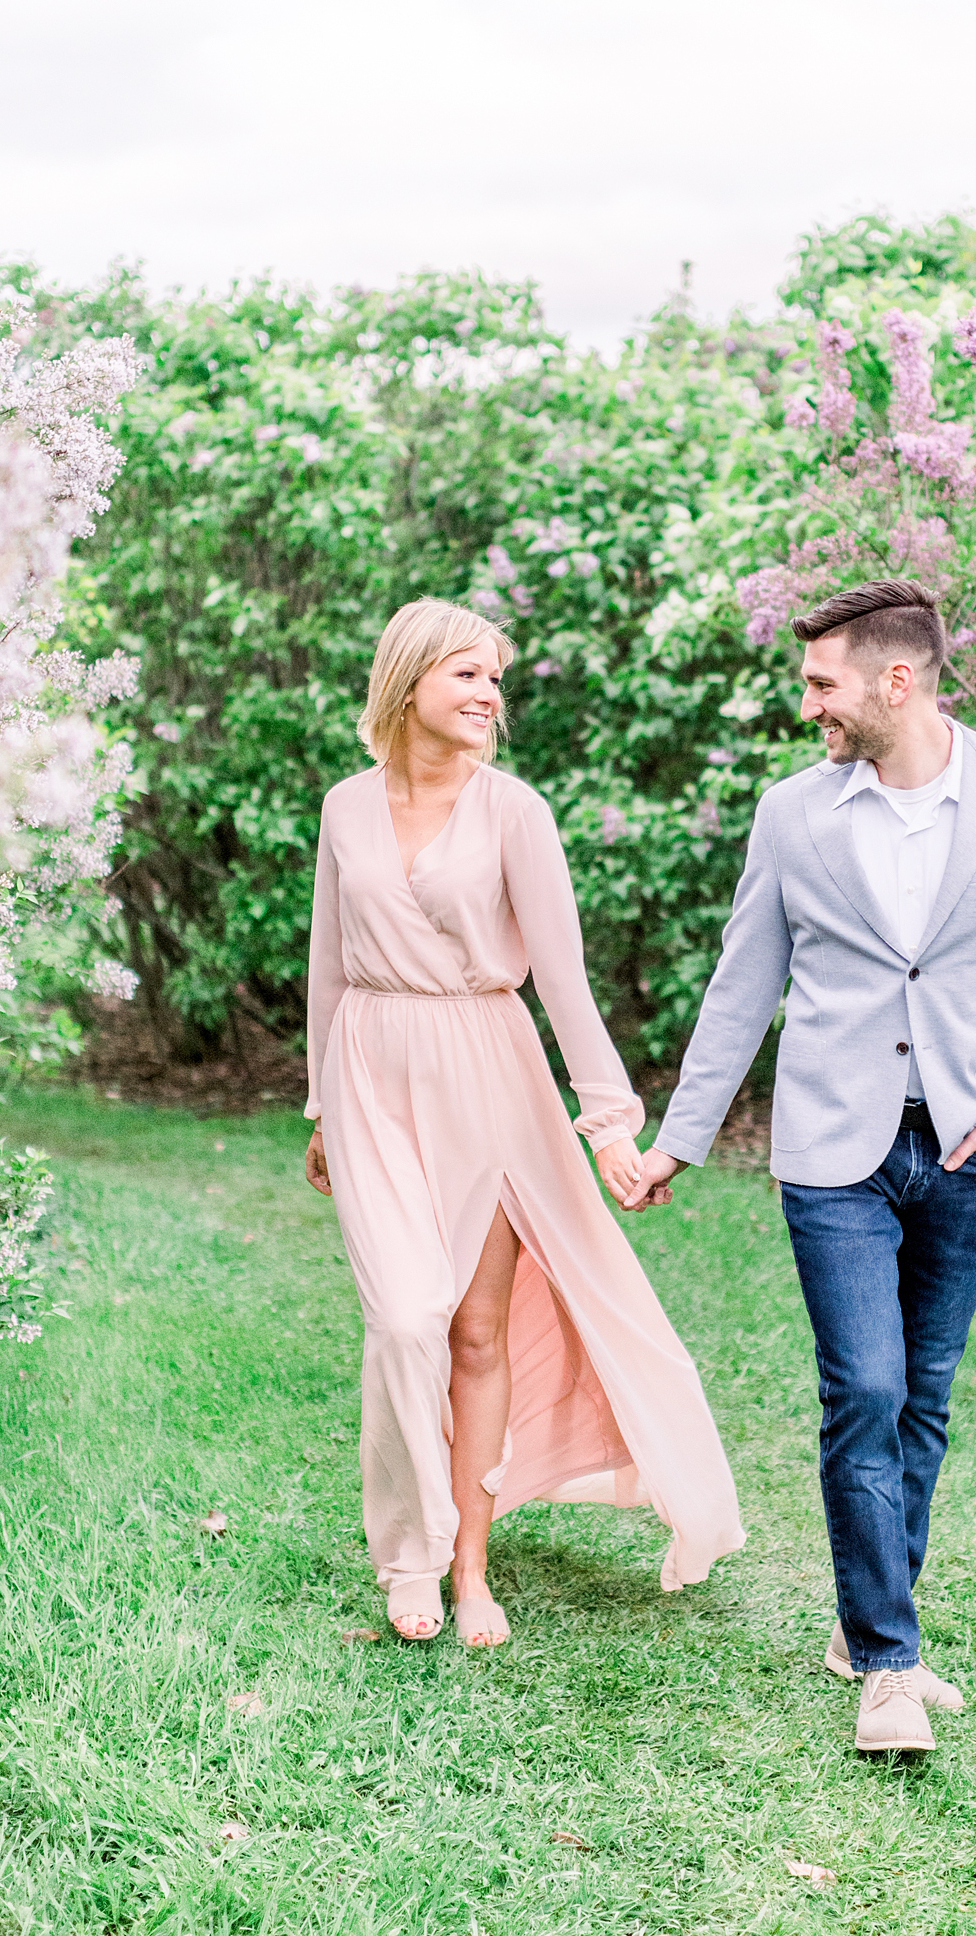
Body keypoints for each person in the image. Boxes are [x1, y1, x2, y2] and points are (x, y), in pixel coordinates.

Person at [626, 579, 976, 1752]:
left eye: (822, 683)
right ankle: (890, 1667)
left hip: (968, 1142)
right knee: (867, 1392)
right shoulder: (794, 815)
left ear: (899, 680)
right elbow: (744, 984)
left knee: (924, 1400)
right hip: (834, 1150)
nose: (809, 706)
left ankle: (865, 1619)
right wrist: (679, 1138)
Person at [303, 597, 744, 1649]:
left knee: (475, 1328)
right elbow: (327, 964)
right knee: (405, 1317)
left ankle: (469, 1567)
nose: (490, 696)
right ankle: (407, 1555)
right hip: (370, 1069)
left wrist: (608, 1126)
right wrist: (320, 1104)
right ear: (408, 683)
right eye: (468, 675)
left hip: (488, 1072)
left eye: (496, 678)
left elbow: (563, 976)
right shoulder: (344, 809)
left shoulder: (516, 813)